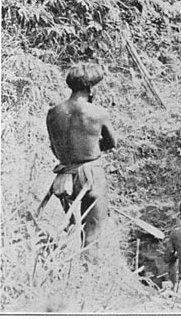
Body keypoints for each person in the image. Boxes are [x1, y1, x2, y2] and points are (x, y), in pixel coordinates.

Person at [46, 63, 116, 260]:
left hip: (64, 175)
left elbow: (54, 146)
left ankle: (63, 262)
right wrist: (92, 148)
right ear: (91, 88)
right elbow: (112, 143)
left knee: (71, 225)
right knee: (92, 234)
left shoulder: (53, 112)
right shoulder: (97, 113)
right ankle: (89, 278)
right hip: (90, 174)